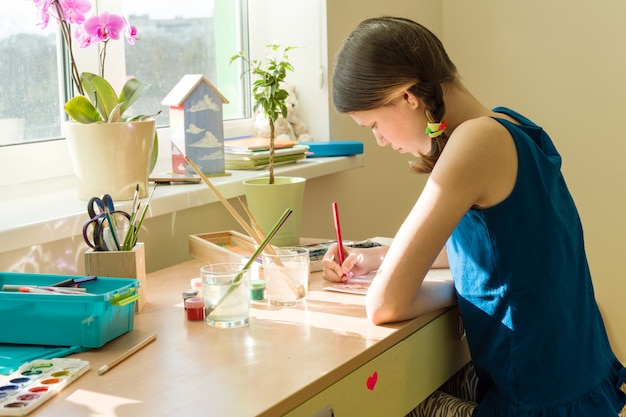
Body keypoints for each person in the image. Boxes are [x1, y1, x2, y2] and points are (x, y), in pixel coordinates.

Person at [323, 16, 626, 417]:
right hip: (573, 385)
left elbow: (383, 304)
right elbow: (491, 252)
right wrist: (376, 258)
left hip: (536, 404)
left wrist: (454, 291)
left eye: (375, 124)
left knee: (363, 404)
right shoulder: (512, 126)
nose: (379, 140)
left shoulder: (474, 141)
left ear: (407, 96)